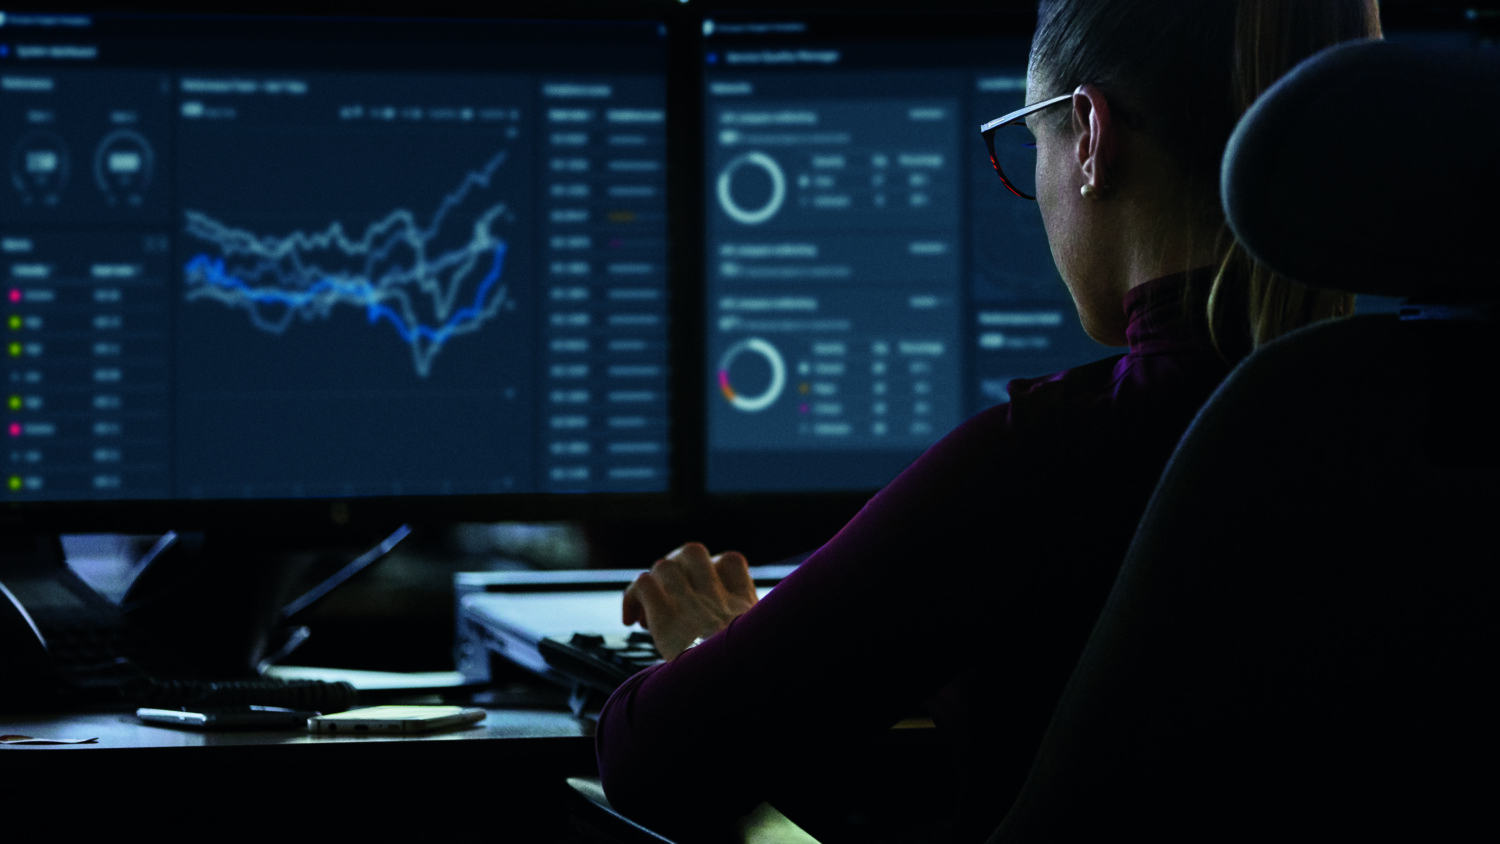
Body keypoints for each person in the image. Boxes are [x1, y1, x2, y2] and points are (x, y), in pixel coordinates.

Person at [597, 1, 1381, 841]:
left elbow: (658, 759)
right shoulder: (1426, 421)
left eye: (1028, 140)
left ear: (1088, 135)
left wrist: (721, 648)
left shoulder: (1049, 461)